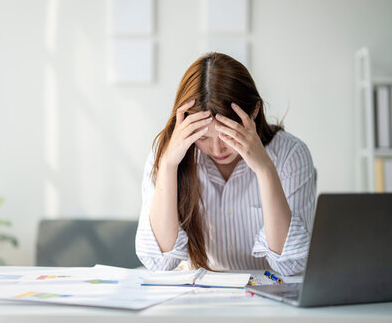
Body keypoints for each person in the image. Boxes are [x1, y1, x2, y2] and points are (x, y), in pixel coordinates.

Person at [135, 52, 316, 276]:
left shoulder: (291, 155)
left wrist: (265, 169)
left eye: (228, 136)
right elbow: (159, 263)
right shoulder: (165, 155)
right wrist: (169, 166)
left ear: (254, 111)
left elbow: (291, 265)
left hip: (269, 301)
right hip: (197, 300)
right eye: (203, 138)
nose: (217, 150)